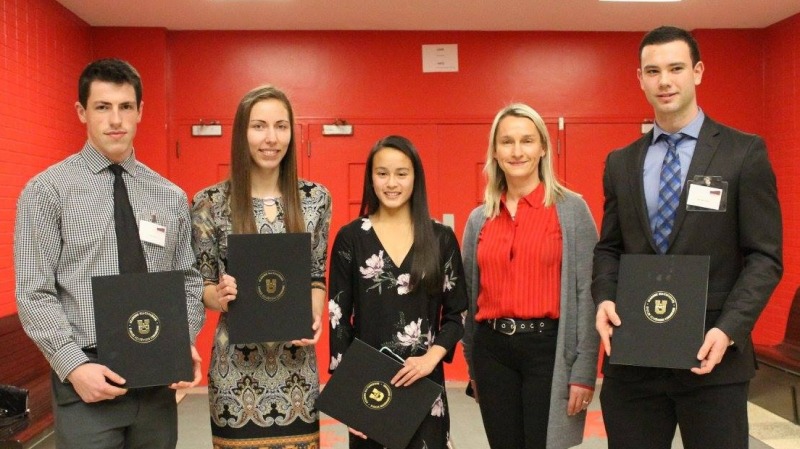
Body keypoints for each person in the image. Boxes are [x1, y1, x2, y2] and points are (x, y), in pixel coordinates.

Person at [592, 26, 783, 449]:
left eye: (676, 68)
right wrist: (604, 297)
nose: (664, 81)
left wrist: (730, 329)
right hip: (636, 358)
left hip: (712, 358)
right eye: (653, 70)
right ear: (639, 78)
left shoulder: (743, 153)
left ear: (697, 72)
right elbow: (609, 247)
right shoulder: (621, 163)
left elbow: (764, 257)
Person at [14, 58, 205, 448]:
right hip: (87, 381)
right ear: (82, 112)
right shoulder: (48, 191)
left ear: (140, 112)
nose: (115, 119)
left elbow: (189, 281)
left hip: (156, 383)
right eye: (103, 107)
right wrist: (74, 366)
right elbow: (34, 291)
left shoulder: (168, 196)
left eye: (125, 106)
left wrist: (180, 341)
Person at [191, 84, 331, 449]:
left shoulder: (315, 199)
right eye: (259, 126)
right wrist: (219, 295)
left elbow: (316, 276)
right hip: (235, 370)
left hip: (296, 363)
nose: (271, 138)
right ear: (242, 133)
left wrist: (313, 317)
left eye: (281, 126)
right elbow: (202, 285)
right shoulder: (210, 202)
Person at [461, 103, 599, 449]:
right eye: (507, 141)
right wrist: (472, 362)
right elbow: (466, 297)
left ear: (542, 149)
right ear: (495, 151)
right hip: (492, 352)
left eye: (527, 140)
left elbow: (589, 296)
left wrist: (584, 371)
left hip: (548, 349)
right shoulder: (480, 218)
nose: (517, 151)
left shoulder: (571, 210)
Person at [328, 135, 468, 449]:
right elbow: (338, 321)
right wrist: (348, 398)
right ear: (371, 178)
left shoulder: (440, 238)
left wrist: (431, 359)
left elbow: (458, 314)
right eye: (382, 173)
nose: (392, 183)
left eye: (401, 173)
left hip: (424, 385)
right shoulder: (351, 238)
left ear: (415, 178)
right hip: (369, 388)